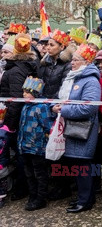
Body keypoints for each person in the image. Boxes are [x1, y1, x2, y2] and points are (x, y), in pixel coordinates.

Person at [52, 44, 101, 213]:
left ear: (86, 61)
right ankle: (84, 198)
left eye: (76, 60)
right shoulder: (77, 77)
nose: (72, 62)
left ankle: (85, 201)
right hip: (74, 128)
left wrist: (63, 110)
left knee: (83, 166)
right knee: (78, 166)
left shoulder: (91, 80)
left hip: (84, 130)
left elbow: (89, 108)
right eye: (72, 59)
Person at [0, 33, 38, 200]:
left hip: (15, 119)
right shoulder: (25, 66)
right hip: (21, 117)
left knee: (21, 155)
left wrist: (9, 124)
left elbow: (15, 100)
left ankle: (22, 188)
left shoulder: (16, 70)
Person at [17, 77, 56, 211]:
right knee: (29, 174)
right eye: (23, 92)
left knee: (40, 174)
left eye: (28, 92)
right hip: (25, 146)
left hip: (37, 147)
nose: (24, 95)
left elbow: (48, 126)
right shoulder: (25, 106)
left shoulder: (42, 107)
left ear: (36, 93)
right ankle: (32, 195)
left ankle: (41, 198)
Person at [38, 30, 74, 99]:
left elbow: (64, 88)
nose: (48, 47)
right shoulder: (45, 62)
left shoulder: (68, 64)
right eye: (47, 44)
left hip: (56, 103)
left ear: (62, 47)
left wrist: (52, 104)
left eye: (52, 45)